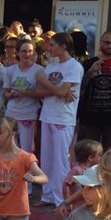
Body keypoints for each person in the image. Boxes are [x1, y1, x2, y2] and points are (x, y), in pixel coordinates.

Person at [35, 32, 83, 207]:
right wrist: (57, 90)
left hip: (63, 118)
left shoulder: (74, 66)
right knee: (47, 158)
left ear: (63, 46)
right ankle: (47, 196)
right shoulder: (52, 64)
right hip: (47, 114)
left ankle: (61, 198)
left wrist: (47, 82)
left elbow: (62, 91)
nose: (49, 48)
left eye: (53, 45)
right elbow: (40, 91)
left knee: (60, 159)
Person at [56, 140, 104, 218]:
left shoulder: (92, 170)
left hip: (85, 202)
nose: (101, 158)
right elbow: (66, 184)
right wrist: (68, 200)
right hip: (76, 203)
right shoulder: (76, 170)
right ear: (90, 158)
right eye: (99, 155)